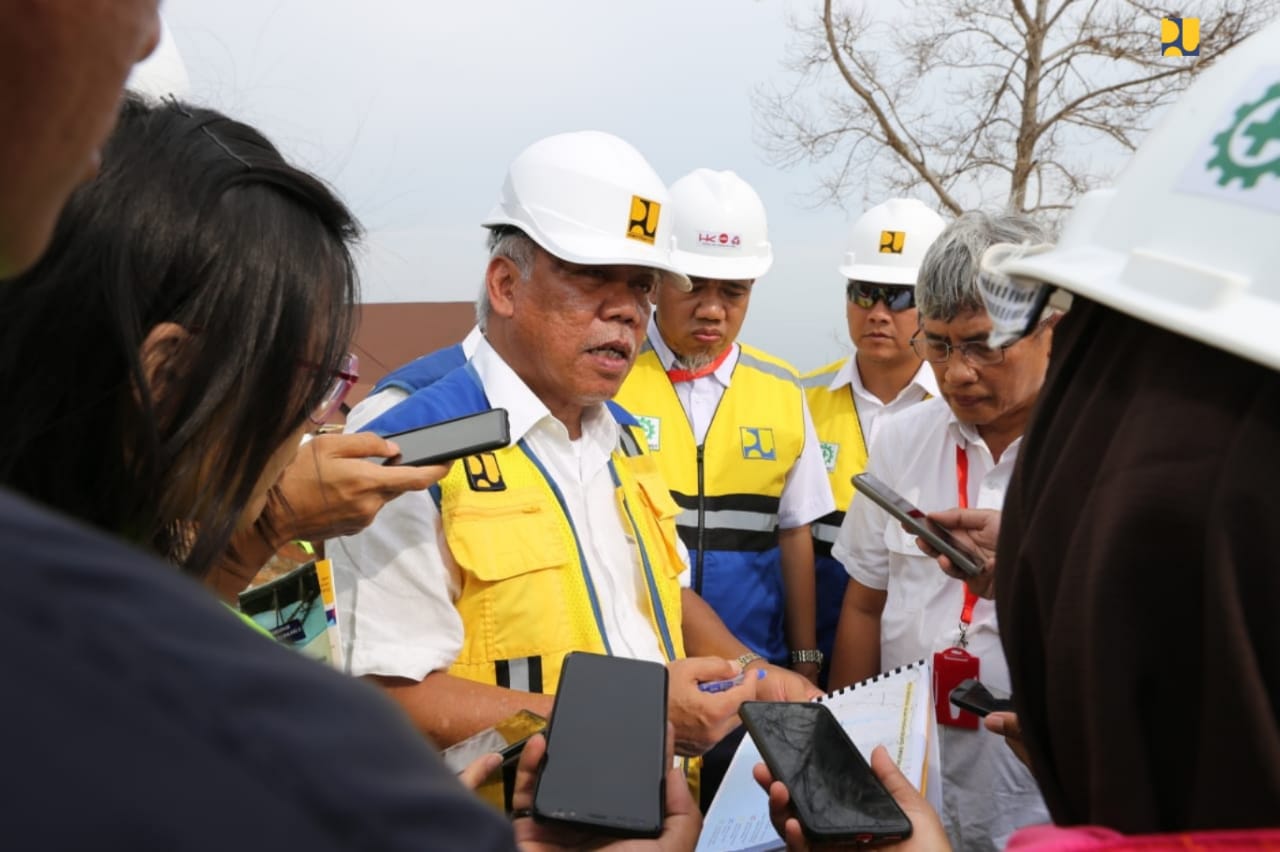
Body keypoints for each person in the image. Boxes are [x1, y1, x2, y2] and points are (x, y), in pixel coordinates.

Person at [331, 132, 819, 770]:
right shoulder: (408, 433)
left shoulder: (621, 435)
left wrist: (752, 671)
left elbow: (663, 595)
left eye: (641, 285)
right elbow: (387, 697)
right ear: (505, 285)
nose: (627, 311)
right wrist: (635, 717)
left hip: (657, 806)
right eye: (591, 277)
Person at [828, 212, 1053, 851]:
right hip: (908, 782)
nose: (956, 373)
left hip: (1039, 799)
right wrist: (845, 761)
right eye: (939, 345)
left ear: (1052, 331)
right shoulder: (901, 441)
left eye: (983, 345)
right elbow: (865, 604)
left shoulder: (1099, 452)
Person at [614, 168, 836, 683]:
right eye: (693, 286)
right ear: (656, 282)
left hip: (756, 672)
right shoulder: (610, 379)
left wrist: (805, 659)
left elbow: (794, 531)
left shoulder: (782, 389)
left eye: (733, 292)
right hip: (639, 667)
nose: (712, 309)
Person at [801, 198, 946, 686]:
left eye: (900, 297)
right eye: (864, 293)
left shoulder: (957, 412)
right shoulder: (799, 400)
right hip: (809, 651)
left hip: (917, 661)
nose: (879, 313)